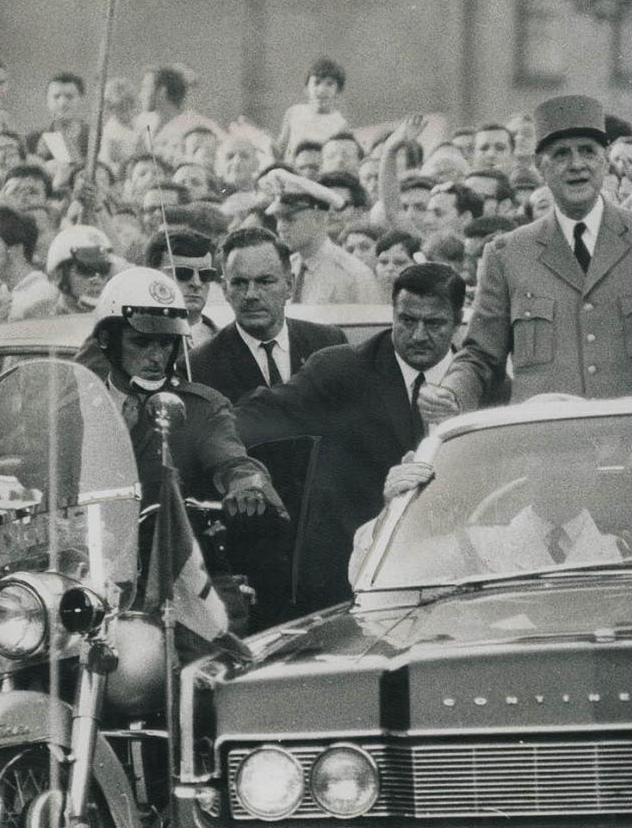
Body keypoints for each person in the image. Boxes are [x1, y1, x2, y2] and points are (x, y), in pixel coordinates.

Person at [421, 95, 632, 419]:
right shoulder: (508, 254)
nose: (577, 164)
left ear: (605, 161)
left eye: (588, 152)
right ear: (540, 166)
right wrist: (451, 392)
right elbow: (480, 355)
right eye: (561, 154)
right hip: (546, 450)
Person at [236, 263, 465, 613]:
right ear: (392, 313)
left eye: (434, 324)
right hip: (347, 580)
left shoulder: (483, 384)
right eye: (406, 321)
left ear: (458, 320)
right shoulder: (340, 372)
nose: (418, 335)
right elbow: (257, 416)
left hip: (455, 576)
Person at [74, 267, 295, 628]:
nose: (156, 356)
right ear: (107, 342)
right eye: (141, 343)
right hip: (86, 575)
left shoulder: (199, 408)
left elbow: (231, 458)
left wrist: (246, 483)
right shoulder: (76, 407)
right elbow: (46, 478)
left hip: (170, 580)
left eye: (165, 343)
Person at [191, 227, 346, 404]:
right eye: (239, 283)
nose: (251, 295)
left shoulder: (328, 343)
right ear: (225, 290)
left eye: (265, 282)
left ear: (289, 285)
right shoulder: (201, 365)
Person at [263, 171, 383, 304]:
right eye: (278, 219)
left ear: (318, 219)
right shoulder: (284, 269)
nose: (280, 228)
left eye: (290, 219)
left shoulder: (353, 275)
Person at [143, 228, 223, 348]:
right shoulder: (133, 339)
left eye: (205, 274)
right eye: (182, 273)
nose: (196, 283)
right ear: (151, 277)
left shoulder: (231, 343)